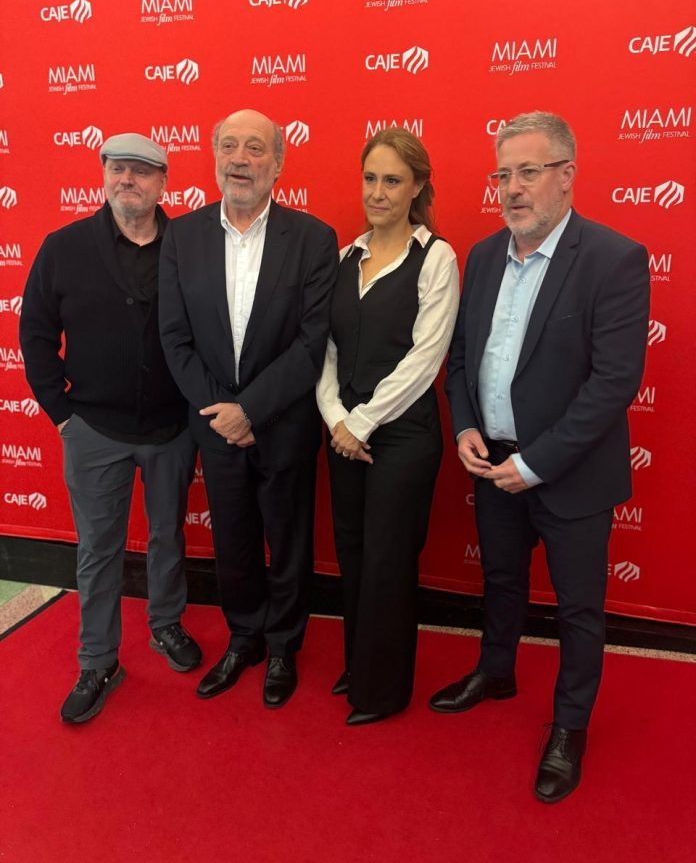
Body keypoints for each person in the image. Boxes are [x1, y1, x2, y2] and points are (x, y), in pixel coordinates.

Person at [429, 112, 650, 801]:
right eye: (504, 174)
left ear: (566, 175)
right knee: (501, 580)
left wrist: (536, 464)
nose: (513, 188)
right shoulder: (483, 256)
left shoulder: (614, 258)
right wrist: (466, 426)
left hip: (569, 474)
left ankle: (569, 726)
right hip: (492, 461)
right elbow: (461, 358)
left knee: (580, 609)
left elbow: (613, 383)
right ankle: (496, 671)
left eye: (529, 172)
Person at [159, 109, 338, 709]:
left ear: (278, 163)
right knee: (232, 541)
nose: (240, 158)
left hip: (283, 425)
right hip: (214, 425)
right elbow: (175, 338)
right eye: (229, 146)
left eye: (255, 147)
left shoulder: (313, 239)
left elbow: (311, 342)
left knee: (288, 541)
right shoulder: (182, 237)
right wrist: (223, 411)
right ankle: (244, 639)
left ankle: (283, 644)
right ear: (214, 157)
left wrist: (251, 411)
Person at [20, 133, 200, 724]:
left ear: (163, 182)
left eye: (142, 172)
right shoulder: (64, 247)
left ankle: (166, 624)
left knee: (169, 534)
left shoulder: (190, 246)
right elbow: (35, 333)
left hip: (173, 428)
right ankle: (98, 660)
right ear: (103, 174)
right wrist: (62, 414)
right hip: (94, 428)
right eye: (118, 168)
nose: (128, 180)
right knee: (98, 549)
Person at [316, 129, 459, 725]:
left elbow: (426, 357)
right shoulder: (344, 258)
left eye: (393, 180)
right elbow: (325, 351)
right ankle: (359, 664)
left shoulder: (437, 258)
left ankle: (384, 690)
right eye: (371, 178)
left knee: (388, 559)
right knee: (352, 553)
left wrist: (363, 421)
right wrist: (336, 419)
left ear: (418, 187)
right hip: (343, 432)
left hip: (401, 436)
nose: (378, 192)